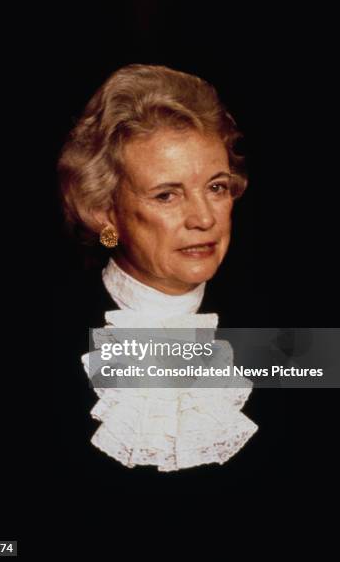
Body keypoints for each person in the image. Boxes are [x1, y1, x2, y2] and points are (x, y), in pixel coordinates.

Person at [54, 63, 261, 474]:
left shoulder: (288, 335)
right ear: (102, 212)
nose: (204, 218)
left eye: (217, 188)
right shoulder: (45, 348)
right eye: (167, 195)